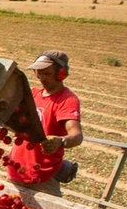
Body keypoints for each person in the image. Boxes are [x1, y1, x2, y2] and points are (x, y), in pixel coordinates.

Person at [7, 50, 83, 194]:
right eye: (39, 73)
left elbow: (77, 135)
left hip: (43, 175)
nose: (42, 78)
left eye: (47, 74)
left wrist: (60, 141)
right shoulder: (33, 94)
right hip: (17, 169)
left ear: (61, 74)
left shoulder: (66, 100)